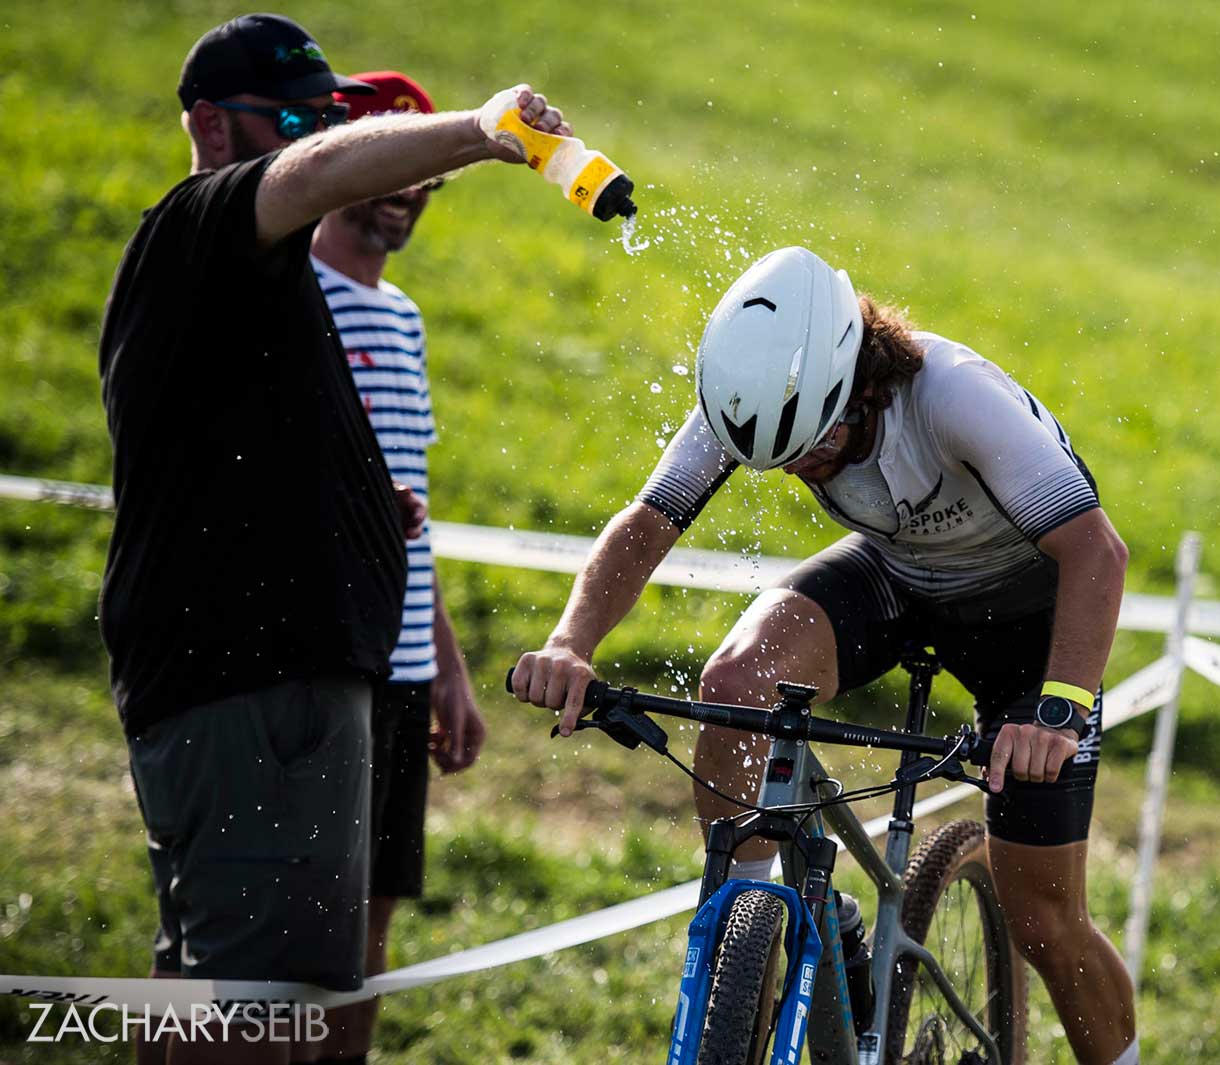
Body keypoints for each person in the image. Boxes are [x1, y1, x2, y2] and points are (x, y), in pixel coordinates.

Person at [510, 246, 1140, 1065]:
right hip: (897, 574)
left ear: (858, 377)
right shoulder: (752, 396)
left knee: (1045, 922)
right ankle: (751, 929)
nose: (805, 466)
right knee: (737, 684)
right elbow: (650, 520)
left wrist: (1057, 709)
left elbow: (1097, 550)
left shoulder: (955, 395)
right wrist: (571, 641)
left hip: (1028, 621)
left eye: (818, 445)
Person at [99, 12, 571, 1064]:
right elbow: (309, 178)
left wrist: (365, 512)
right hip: (249, 681)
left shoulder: (263, 288)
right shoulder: (201, 224)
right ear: (213, 128)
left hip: (287, 682)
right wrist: (484, 128)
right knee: (258, 1016)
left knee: (234, 990)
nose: (319, 138)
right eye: (299, 121)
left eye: (328, 118)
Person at [307, 71, 487, 1064]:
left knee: (368, 934)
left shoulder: (405, 318)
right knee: (295, 929)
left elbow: (407, 517)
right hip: (318, 660)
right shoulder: (291, 293)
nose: (407, 188)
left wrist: (446, 670)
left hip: (401, 664)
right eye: (389, 163)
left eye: (422, 171)